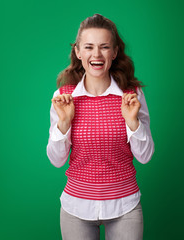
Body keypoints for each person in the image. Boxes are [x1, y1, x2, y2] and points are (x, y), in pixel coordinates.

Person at [46, 13, 154, 240]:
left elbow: (145, 157)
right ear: (78, 51)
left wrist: (132, 121)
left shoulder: (132, 96)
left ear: (114, 52)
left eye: (104, 47)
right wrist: (64, 123)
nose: (96, 54)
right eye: (89, 47)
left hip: (125, 206)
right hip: (76, 208)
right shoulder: (64, 97)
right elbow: (56, 161)